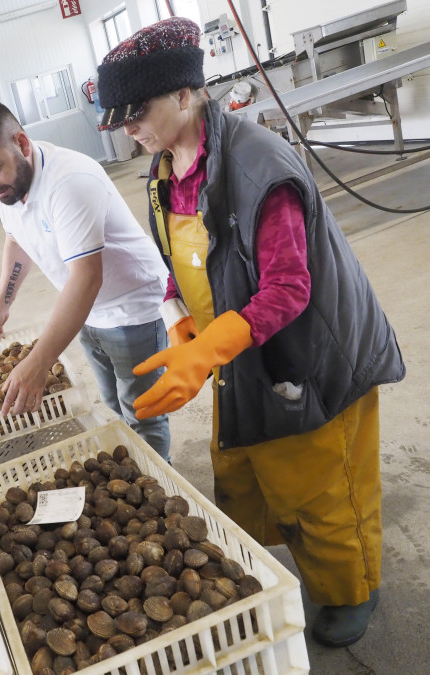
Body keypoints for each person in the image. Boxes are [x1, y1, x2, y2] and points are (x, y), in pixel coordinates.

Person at [95, 16, 405, 647]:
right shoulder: (165, 167)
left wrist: (210, 349)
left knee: (325, 492)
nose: (127, 129)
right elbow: (184, 260)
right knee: (262, 477)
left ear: (185, 94)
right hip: (245, 354)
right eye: (118, 119)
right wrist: (182, 318)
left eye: (136, 112)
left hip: (313, 354)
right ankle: (318, 564)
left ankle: (353, 590)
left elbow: (290, 288)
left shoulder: (257, 166)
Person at [0, 99, 173, 461]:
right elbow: (17, 239)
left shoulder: (69, 182)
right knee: (113, 404)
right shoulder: (5, 184)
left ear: (21, 143)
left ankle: (162, 485)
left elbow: (87, 278)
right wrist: (1, 306)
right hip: (85, 312)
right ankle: (137, 466)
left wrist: (39, 361)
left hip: (133, 310)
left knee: (143, 414)